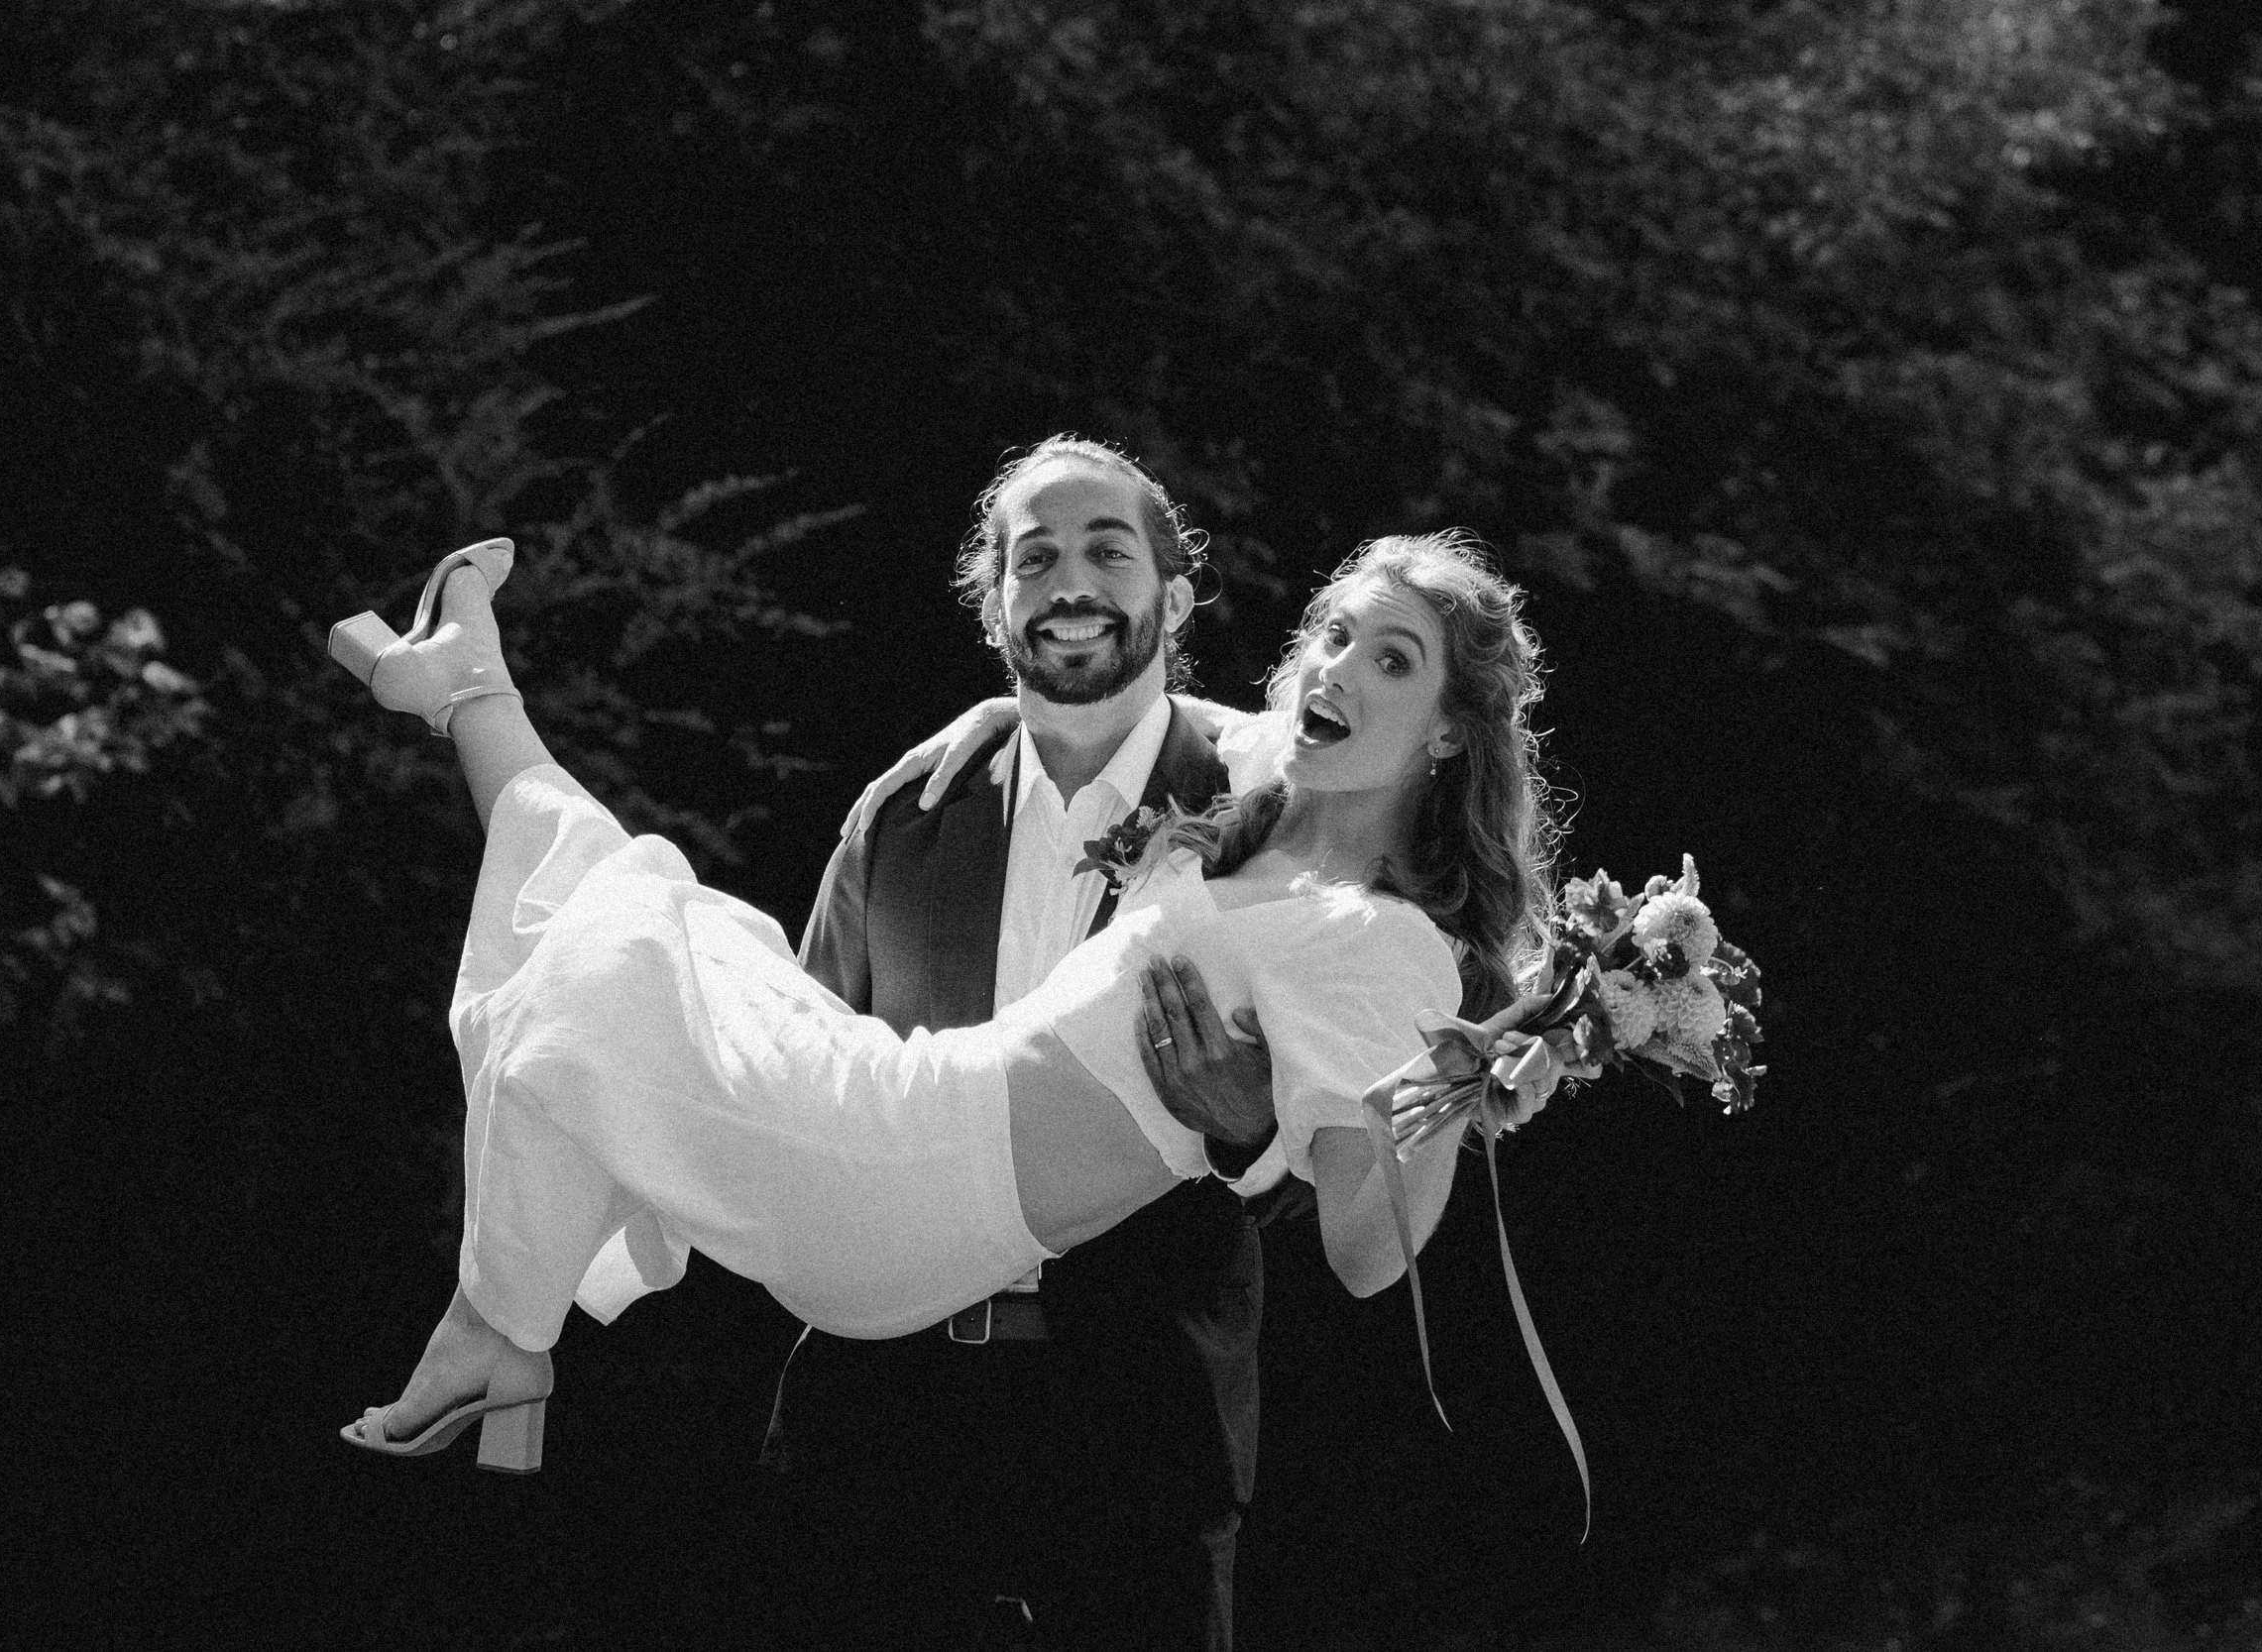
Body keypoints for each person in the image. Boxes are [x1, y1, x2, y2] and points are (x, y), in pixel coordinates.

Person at [331, 513, 1563, 1635]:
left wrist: (1459, 1093)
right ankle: (464, 690)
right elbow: (1117, 712)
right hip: (904, 1133)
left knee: (620, 959)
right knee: (646, 929)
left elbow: (1365, 1248)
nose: (1341, 668)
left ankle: (497, 1322)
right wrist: (1002, 715)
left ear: (1452, 729)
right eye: (1336, 634)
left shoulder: (1381, 938)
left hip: (926, 1192)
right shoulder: (1259, 801)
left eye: (1392, 659)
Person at [766, 437, 1283, 1652]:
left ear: (1174, 588)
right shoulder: (903, 816)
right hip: (885, 1417)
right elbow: (794, 1076)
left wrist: (1249, 1125)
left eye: (1108, 550)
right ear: (994, 600)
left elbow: (1354, 1148)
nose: (1069, 583)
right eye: (1032, 557)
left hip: (1140, 1422)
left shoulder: (1266, 816)